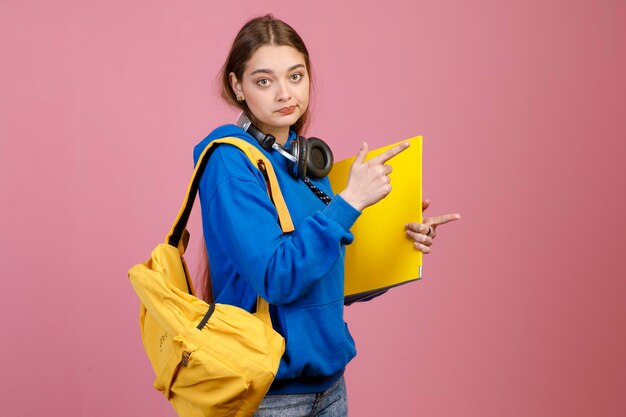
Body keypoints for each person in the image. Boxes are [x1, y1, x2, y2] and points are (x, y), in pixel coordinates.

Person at [193, 14, 460, 417]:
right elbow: (278, 279)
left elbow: (327, 279)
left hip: (329, 386)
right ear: (237, 86)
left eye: (296, 76)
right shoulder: (230, 163)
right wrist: (349, 202)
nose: (285, 93)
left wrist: (398, 242)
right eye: (264, 81)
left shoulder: (302, 162)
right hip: (271, 395)